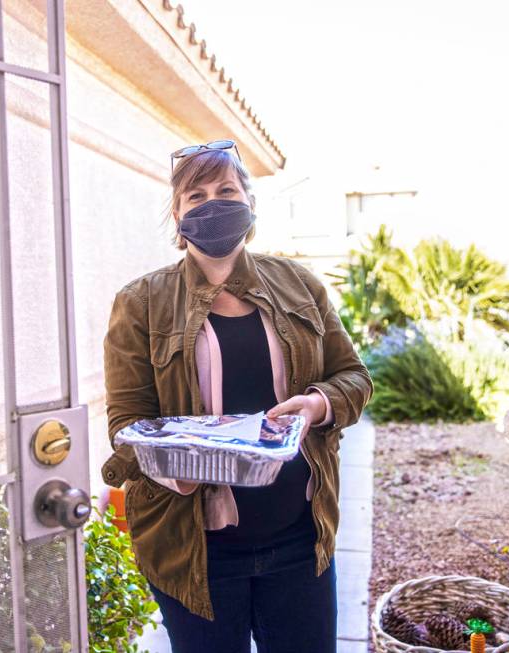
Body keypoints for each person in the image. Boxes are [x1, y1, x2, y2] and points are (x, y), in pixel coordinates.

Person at [101, 139, 374, 652]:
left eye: (226, 190)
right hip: (194, 549)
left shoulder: (300, 285)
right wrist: (172, 465)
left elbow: (353, 376)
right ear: (177, 217)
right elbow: (126, 422)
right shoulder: (141, 303)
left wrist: (317, 404)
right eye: (196, 196)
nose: (213, 204)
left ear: (249, 204)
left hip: (300, 536)